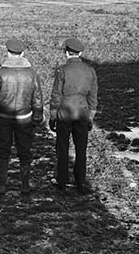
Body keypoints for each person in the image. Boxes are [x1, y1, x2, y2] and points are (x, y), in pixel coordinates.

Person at [0, 38, 43, 195]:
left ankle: (1, 183)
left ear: (7, 52)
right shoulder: (32, 74)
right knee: (25, 150)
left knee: (3, 149)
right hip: (25, 118)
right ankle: (25, 184)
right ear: (23, 53)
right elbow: (37, 98)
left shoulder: (0, 73)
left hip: (4, 117)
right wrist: (37, 117)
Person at [49, 38, 98, 194]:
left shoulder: (62, 70)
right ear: (81, 53)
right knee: (81, 148)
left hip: (65, 112)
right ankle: (80, 181)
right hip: (82, 112)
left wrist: (53, 115)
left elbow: (56, 95)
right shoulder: (90, 70)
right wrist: (91, 116)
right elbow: (93, 96)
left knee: (62, 148)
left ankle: (62, 180)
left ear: (66, 52)